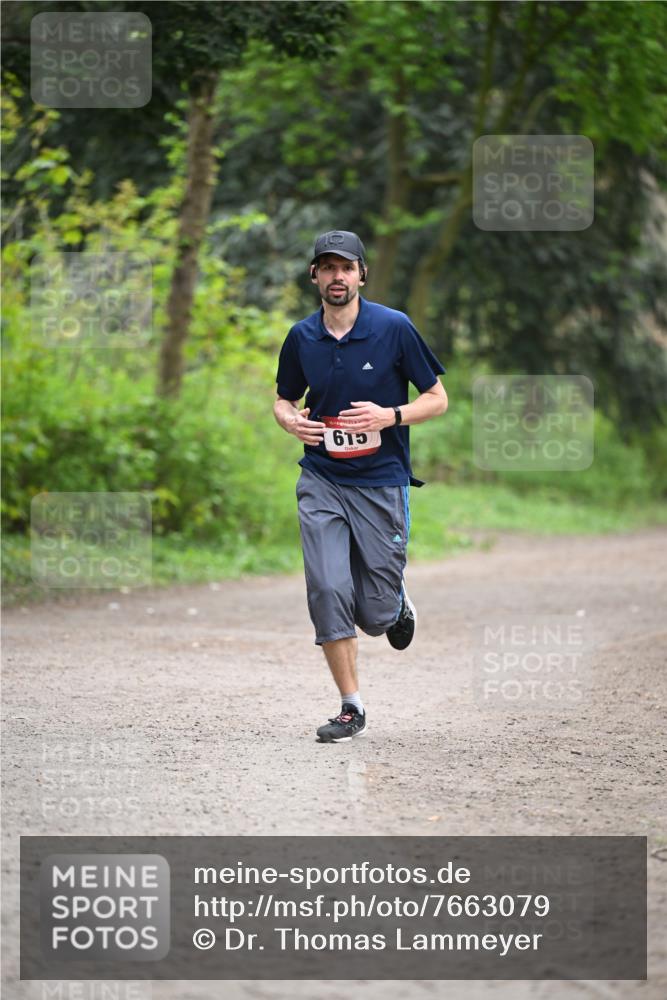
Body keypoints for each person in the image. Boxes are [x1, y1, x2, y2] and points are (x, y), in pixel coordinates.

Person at [273, 230, 447, 743]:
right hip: (322, 478)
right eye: (327, 268)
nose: (336, 277)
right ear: (314, 277)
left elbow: (438, 398)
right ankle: (351, 707)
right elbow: (284, 398)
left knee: (373, 614)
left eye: (345, 268)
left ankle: (394, 602)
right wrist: (290, 421)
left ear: (361, 274)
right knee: (328, 589)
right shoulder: (302, 337)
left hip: (381, 483)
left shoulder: (394, 328)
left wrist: (389, 415)